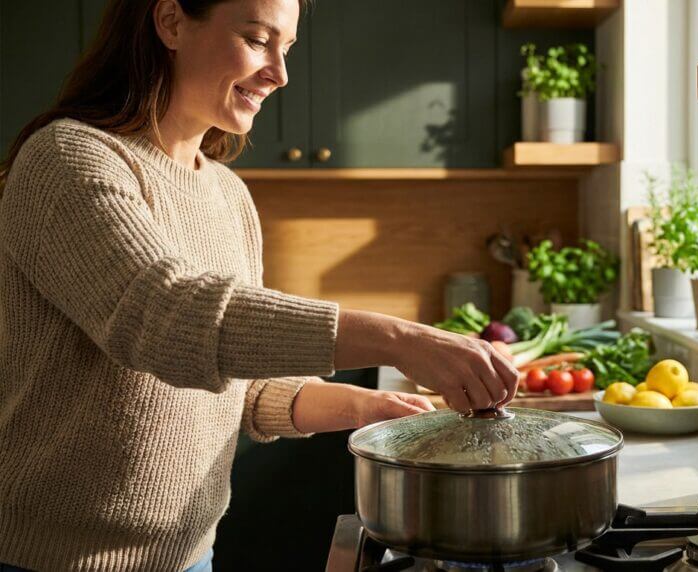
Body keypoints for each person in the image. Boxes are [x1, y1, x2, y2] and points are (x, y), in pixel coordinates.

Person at [0, 0, 519, 570]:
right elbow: (166, 318)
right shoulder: (68, 159)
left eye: (287, 48)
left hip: (191, 553)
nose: (280, 72)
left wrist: (371, 408)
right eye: (256, 40)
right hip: (49, 559)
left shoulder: (227, 195)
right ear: (171, 22)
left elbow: (242, 390)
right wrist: (399, 339)